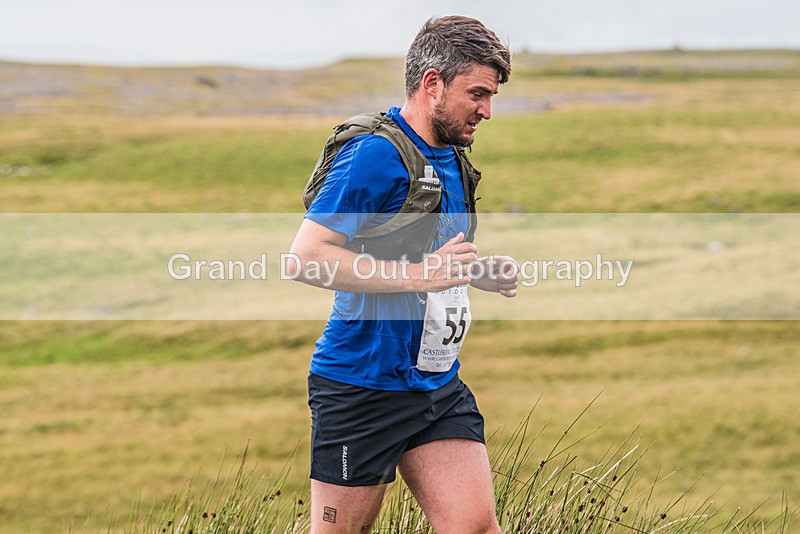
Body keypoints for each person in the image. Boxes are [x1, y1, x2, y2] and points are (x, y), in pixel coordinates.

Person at [288, 15, 517, 534]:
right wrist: (421, 276)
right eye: (477, 93)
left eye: (492, 95)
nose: (487, 110)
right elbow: (306, 257)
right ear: (432, 83)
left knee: (475, 529)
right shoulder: (374, 154)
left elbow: (427, 253)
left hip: (436, 387)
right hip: (361, 387)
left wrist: (475, 270)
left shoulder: (454, 158)